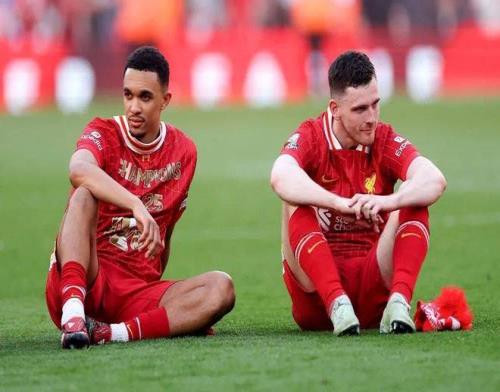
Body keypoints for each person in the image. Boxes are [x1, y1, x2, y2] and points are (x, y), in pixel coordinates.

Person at [46, 46, 235, 349]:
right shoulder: (103, 132)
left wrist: (181, 307)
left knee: (221, 288)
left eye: (145, 97)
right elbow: (78, 169)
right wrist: (135, 204)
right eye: (128, 95)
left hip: (135, 292)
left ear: (165, 100)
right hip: (89, 279)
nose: (133, 107)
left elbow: (166, 234)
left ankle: (112, 333)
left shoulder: (184, 151)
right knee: (83, 195)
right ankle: (74, 315)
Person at [270, 51, 446, 336]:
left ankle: (398, 303)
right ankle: (337, 303)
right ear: (335, 108)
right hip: (317, 300)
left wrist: (388, 201)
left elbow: (434, 179)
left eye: (376, 104)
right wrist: (337, 203)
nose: (372, 118)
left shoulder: (383, 139)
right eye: (360, 109)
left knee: (415, 198)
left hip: (372, 288)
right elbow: (280, 175)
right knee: (294, 200)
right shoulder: (312, 136)